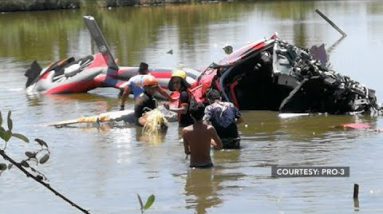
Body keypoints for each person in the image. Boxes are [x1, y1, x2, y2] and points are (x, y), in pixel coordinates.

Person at [182, 103, 223, 168]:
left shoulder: (185, 131)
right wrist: (211, 141)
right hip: (207, 165)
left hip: (193, 166)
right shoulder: (210, 129)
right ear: (203, 115)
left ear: (191, 116)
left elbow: (187, 151)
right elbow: (220, 146)